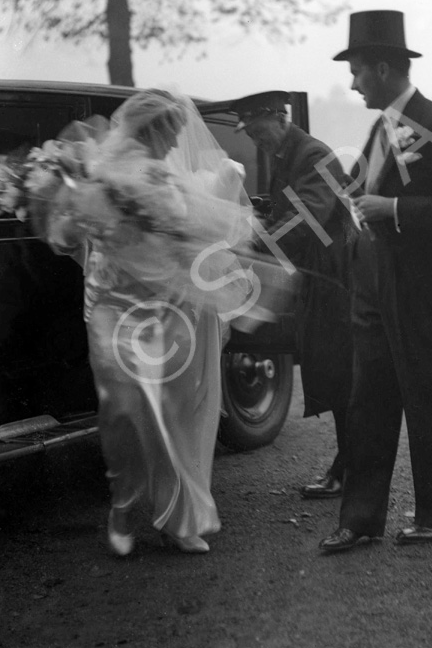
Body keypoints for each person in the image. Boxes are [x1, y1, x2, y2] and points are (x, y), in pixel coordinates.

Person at [39, 89, 254, 556]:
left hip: (166, 311)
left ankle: (179, 520)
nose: (177, 144)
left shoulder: (165, 177)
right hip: (112, 311)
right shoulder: (97, 171)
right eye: (172, 133)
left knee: (175, 415)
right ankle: (121, 507)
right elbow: (63, 234)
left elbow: (191, 233)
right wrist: (76, 204)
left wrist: (219, 194)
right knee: (122, 412)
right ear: (152, 128)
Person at [318, 10, 432, 553]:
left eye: (358, 70)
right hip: (375, 288)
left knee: (430, 401)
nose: (352, 81)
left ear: (383, 68)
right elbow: (355, 184)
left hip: (423, 292)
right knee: (369, 402)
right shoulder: (380, 127)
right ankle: (361, 521)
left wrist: (390, 205)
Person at [232, 91, 356, 499]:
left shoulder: (311, 154)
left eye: (257, 129)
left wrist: (259, 240)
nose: (255, 139)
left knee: (342, 376)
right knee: (334, 376)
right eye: (249, 133)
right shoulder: (289, 155)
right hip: (318, 281)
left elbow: (308, 217)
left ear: (279, 118)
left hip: (336, 282)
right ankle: (348, 467)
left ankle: (350, 470)